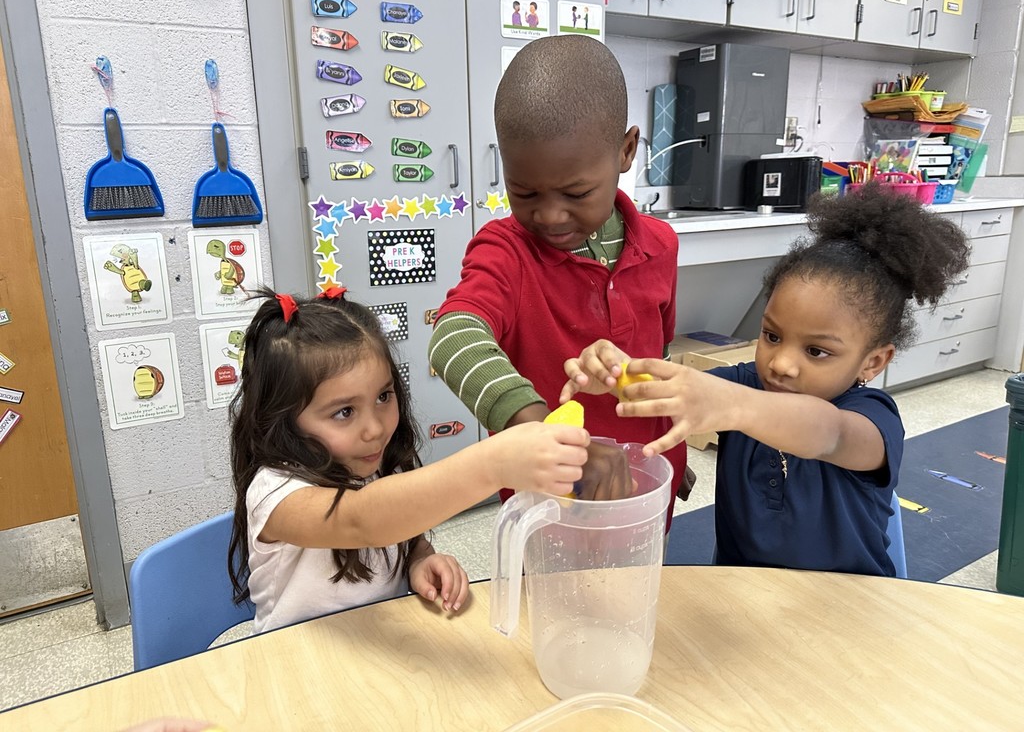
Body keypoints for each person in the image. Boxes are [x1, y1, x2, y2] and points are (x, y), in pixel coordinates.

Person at [560, 184, 971, 576]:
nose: (782, 364)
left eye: (816, 351)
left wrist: (736, 405)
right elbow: (674, 392)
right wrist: (618, 372)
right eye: (772, 336)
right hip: (744, 602)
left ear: (873, 362)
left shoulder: (871, 421)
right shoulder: (747, 385)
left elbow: (829, 434)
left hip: (847, 608)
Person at [428, 35, 689, 525]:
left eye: (576, 191)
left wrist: (672, 446)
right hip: (550, 498)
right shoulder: (504, 251)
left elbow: (661, 358)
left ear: (626, 151)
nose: (548, 215)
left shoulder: (661, 245)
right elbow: (453, 337)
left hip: (648, 484)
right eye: (523, 192)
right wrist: (546, 437)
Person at [228, 287, 590, 634]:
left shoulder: (374, 463)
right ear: (282, 418)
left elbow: (401, 532)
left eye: (384, 396)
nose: (374, 428)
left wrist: (420, 559)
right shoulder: (274, 493)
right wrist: (492, 465)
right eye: (344, 412)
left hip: (380, 651)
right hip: (294, 665)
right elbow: (360, 520)